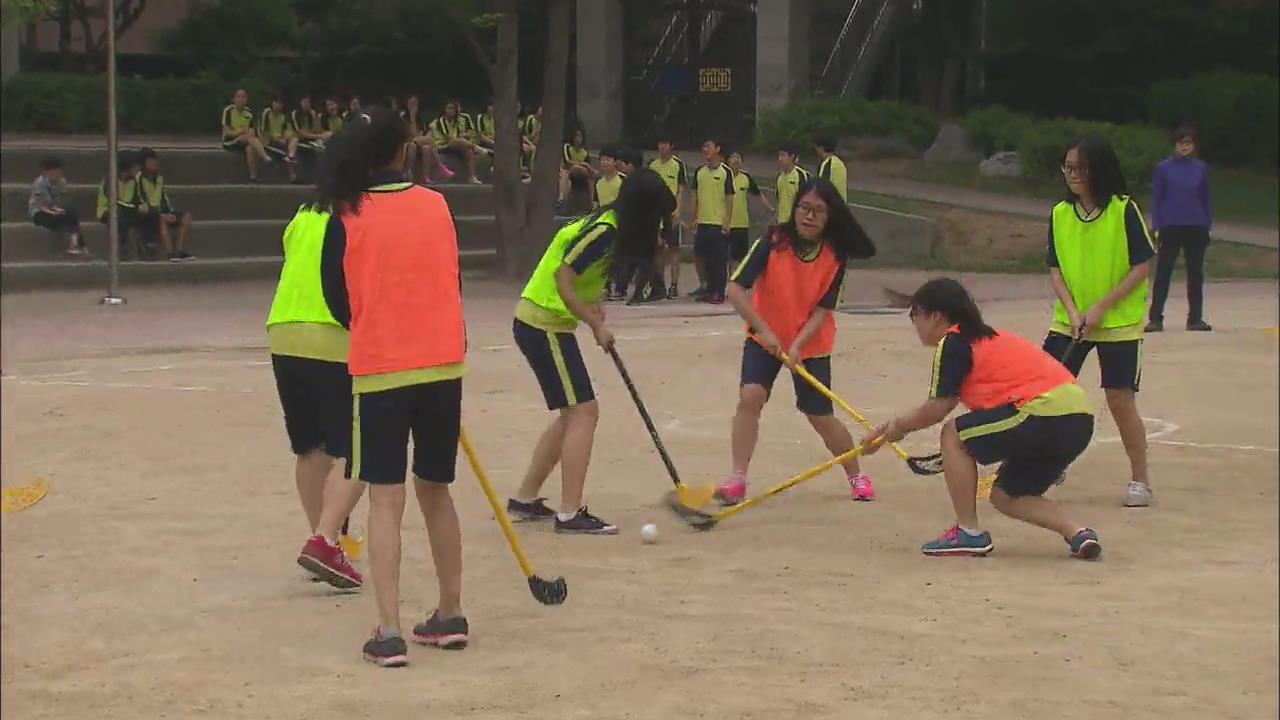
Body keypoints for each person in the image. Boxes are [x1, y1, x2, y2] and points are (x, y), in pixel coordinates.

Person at [317, 107, 471, 667]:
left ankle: (388, 630)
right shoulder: (437, 204)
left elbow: (337, 300)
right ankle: (450, 612)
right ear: (401, 152)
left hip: (382, 367)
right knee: (436, 489)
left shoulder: (348, 212)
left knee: (386, 497)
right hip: (442, 363)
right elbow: (448, 276)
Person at [860, 278, 1102, 559]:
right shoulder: (990, 339)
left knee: (955, 434)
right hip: (1078, 420)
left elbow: (939, 406)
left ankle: (968, 533)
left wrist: (896, 428)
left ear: (935, 316)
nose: (914, 324)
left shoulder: (954, 340)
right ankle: (1078, 533)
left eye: (915, 315)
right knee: (1007, 496)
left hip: (1041, 413)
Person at [508, 170, 676, 535]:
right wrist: (594, 323)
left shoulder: (611, 227)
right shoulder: (606, 231)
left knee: (572, 414)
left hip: (545, 322)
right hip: (543, 323)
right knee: (584, 410)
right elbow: (563, 278)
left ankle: (525, 497)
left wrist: (595, 305)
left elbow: (583, 278)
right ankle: (569, 514)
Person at [715, 177, 877, 506]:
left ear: (829, 217)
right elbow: (734, 290)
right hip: (764, 338)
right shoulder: (772, 241)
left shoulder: (834, 255)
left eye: (818, 211)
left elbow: (823, 309)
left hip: (812, 344)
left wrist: (799, 344)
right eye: (804, 207)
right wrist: (764, 331)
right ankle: (737, 478)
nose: (808, 216)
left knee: (819, 415)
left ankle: (856, 474)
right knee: (751, 396)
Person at [1046, 134, 1155, 507]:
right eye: (1068, 167)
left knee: (1119, 399)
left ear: (1099, 169)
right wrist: (1075, 311)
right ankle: (1048, 463)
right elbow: (1055, 269)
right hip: (1069, 321)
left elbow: (1142, 265)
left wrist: (1101, 308)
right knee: (1046, 392)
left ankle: (1140, 480)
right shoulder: (1059, 213)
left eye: (1080, 168)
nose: (1072, 175)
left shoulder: (1124, 210)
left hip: (1118, 323)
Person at [269, 197, 366, 591]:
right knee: (362, 444)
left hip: (285, 328)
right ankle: (326, 540)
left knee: (310, 448)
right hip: (333, 334)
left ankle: (321, 543)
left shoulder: (304, 211)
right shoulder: (361, 211)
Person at [1147, 126, 1213, 333]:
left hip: (1196, 224)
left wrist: (1207, 225)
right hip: (1170, 225)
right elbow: (1157, 198)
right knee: (1164, 272)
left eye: (1189, 143)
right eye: (1181, 142)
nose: (1185, 146)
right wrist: (1156, 225)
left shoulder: (1200, 168)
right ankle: (1156, 318)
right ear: (1175, 145)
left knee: (1196, 273)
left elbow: (1205, 198)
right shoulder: (1163, 169)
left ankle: (1195, 318)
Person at [686, 138, 735, 304]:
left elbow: (729, 199)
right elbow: (694, 196)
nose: (705, 149)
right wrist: (693, 217)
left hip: (717, 223)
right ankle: (708, 290)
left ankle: (719, 292)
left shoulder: (725, 172)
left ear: (718, 149)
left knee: (718, 260)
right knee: (703, 257)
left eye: (708, 146)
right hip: (703, 222)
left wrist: (727, 222)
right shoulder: (700, 171)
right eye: (704, 146)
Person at [137, 148, 195, 261]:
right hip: (148, 215)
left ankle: (179, 250)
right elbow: (140, 199)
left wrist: (170, 212)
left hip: (161, 211)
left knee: (186, 216)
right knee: (161, 218)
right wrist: (160, 214)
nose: (153, 164)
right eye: (150, 161)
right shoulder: (138, 179)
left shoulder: (159, 179)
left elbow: (164, 198)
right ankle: (170, 252)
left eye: (154, 161)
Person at [649, 136, 688, 299]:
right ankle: (659, 285)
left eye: (665, 144)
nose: (662, 147)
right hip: (656, 213)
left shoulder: (678, 165)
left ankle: (674, 285)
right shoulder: (652, 165)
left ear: (671, 145)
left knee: (673, 249)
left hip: (671, 212)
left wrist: (678, 210)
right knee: (657, 250)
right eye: (660, 143)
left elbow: (681, 189)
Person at [28, 156, 85, 256]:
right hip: (40, 213)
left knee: (72, 213)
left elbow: (61, 200)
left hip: (54, 210)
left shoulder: (62, 182)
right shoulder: (39, 183)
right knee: (64, 219)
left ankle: (76, 245)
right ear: (47, 172)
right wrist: (54, 212)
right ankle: (81, 246)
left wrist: (59, 210)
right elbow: (40, 205)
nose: (58, 174)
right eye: (55, 171)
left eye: (59, 171)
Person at [96, 150, 147, 259]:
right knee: (119, 214)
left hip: (127, 211)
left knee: (149, 214)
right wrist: (136, 208)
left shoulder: (134, 182)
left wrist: (143, 206)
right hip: (108, 211)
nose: (138, 170)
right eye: (136, 167)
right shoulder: (110, 181)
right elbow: (116, 202)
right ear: (127, 167)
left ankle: (146, 245)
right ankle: (123, 246)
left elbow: (137, 200)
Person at [727, 150, 773, 264]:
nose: (736, 160)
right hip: (723, 223)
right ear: (727, 160)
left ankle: (734, 279)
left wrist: (770, 209)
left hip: (741, 224)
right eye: (733, 157)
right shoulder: (723, 175)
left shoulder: (746, 177)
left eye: (739, 157)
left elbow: (758, 194)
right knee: (723, 257)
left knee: (738, 258)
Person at [221, 88, 272, 183]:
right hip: (230, 141)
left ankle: (253, 176)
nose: (241, 99)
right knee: (249, 137)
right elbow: (227, 132)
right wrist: (240, 132)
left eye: (243, 96)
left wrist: (248, 133)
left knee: (250, 148)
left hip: (246, 139)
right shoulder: (228, 110)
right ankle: (264, 156)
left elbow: (252, 130)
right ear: (233, 99)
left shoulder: (249, 112)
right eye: (238, 96)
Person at [429, 100, 483, 185]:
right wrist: (461, 140)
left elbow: (470, 132)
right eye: (449, 108)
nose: (451, 110)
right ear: (444, 110)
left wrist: (463, 138)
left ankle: (471, 176)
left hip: (458, 144)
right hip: (443, 145)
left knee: (468, 151)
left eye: (453, 108)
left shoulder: (459, 120)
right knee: (456, 141)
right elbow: (449, 138)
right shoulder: (441, 121)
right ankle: (477, 148)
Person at [402, 95, 452, 184]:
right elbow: (412, 134)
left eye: (415, 104)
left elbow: (421, 134)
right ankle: (440, 166)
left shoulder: (420, 118)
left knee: (426, 149)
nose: (414, 107)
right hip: (406, 142)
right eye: (411, 104)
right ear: (407, 105)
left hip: (417, 142)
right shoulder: (403, 117)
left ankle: (424, 176)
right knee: (425, 141)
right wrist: (412, 117)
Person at [258, 94, 300, 182]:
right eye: (277, 103)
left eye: (281, 103)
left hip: (280, 140)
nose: (279, 105)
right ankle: (292, 175)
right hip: (268, 141)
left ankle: (291, 159)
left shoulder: (282, 116)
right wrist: (276, 139)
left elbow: (285, 130)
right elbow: (264, 130)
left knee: (293, 139)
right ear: (273, 103)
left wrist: (284, 139)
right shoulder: (267, 112)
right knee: (286, 152)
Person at [558, 126, 596, 205]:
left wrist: (588, 167)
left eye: (580, 136)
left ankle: (591, 202)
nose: (578, 139)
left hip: (581, 172)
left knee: (591, 176)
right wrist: (583, 164)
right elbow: (568, 161)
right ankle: (561, 199)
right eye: (576, 136)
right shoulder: (567, 147)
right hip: (568, 171)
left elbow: (588, 165)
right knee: (566, 173)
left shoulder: (584, 151)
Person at [775, 145, 810, 225]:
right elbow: (779, 200)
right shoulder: (779, 177)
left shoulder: (801, 175)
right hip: (782, 223)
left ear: (792, 157)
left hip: (796, 224)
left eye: (783, 155)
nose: (780, 159)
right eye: (779, 155)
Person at [815, 137, 848, 203]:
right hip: (840, 206)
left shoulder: (828, 164)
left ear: (821, 148)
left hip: (832, 208)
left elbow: (822, 188)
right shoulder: (839, 162)